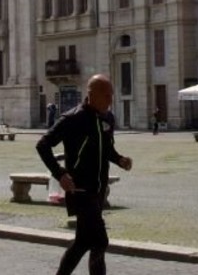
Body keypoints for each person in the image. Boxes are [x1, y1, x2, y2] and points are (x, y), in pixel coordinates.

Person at [37, 75, 132, 275]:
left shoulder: (107, 118)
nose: (110, 100)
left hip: (98, 189)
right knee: (100, 241)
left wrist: (120, 159)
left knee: (83, 242)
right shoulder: (73, 119)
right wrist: (60, 174)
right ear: (91, 95)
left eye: (111, 95)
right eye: (106, 95)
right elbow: (43, 145)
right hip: (79, 189)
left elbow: (106, 148)